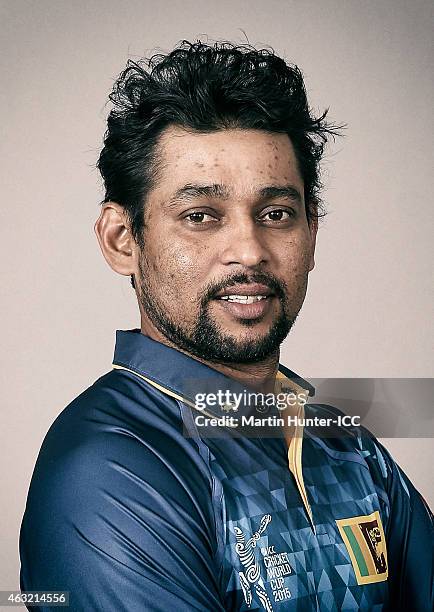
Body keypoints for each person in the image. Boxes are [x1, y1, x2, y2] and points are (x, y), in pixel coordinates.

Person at [19, 41, 433, 611]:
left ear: (312, 233)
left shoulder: (348, 444)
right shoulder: (109, 467)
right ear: (123, 241)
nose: (249, 249)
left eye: (276, 214)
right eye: (200, 216)